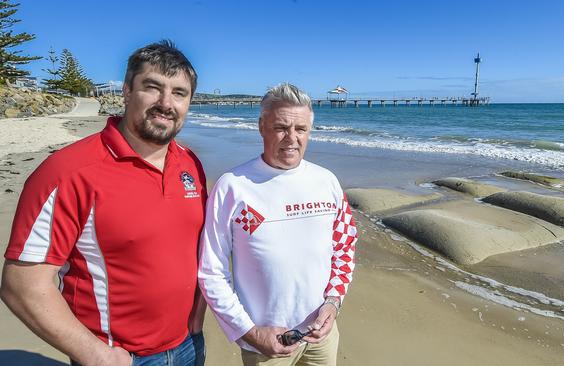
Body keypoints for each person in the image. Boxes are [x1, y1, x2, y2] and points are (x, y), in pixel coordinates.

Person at [1, 40, 207, 366]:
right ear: (126, 90)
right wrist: (95, 354)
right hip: (119, 356)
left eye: (179, 93)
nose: (166, 103)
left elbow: (195, 249)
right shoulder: (69, 171)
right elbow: (22, 285)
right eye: (152, 87)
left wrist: (199, 312)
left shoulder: (190, 165)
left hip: (189, 344)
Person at [198, 83, 358, 365]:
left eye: (301, 129)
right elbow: (211, 272)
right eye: (281, 128)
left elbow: (345, 245)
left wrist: (334, 302)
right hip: (267, 344)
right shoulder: (233, 187)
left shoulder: (326, 181)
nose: (291, 138)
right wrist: (249, 332)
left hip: (321, 335)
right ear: (262, 126)